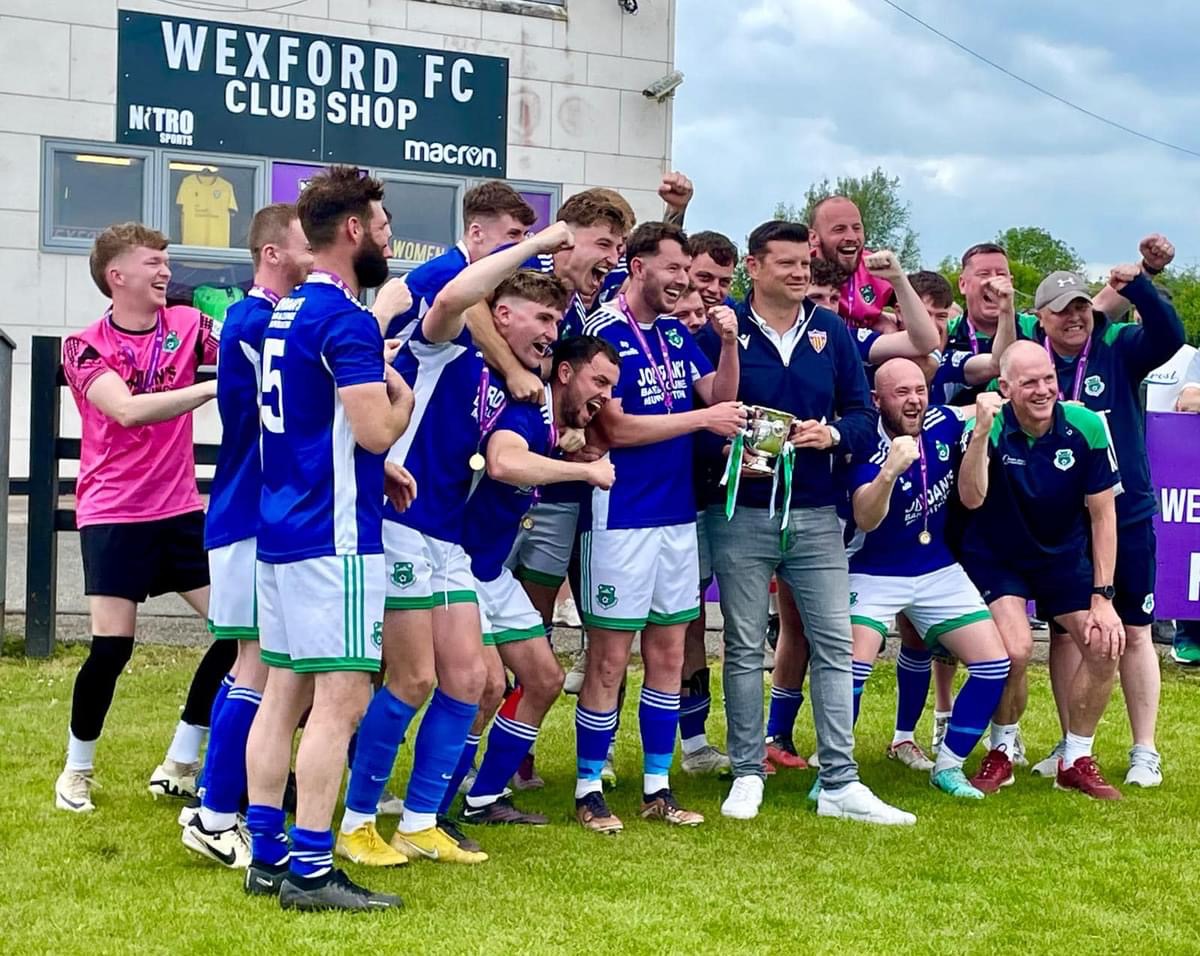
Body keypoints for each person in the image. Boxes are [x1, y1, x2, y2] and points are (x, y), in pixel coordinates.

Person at [335, 224, 575, 865]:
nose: (551, 331)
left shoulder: (511, 380)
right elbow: (450, 298)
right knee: (412, 678)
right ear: (501, 313)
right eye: (542, 317)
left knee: (470, 680)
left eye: (557, 320)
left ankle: (419, 823)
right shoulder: (446, 344)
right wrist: (541, 241)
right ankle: (357, 823)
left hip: (447, 541)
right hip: (401, 524)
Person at [698, 219, 914, 825]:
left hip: (818, 510)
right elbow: (703, 411)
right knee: (744, 644)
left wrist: (833, 435)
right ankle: (747, 771)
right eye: (787, 263)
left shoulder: (831, 332)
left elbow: (862, 415)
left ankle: (840, 780)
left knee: (834, 643)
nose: (799, 273)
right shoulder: (724, 329)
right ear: (754, 266)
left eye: (805, 264)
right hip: (740, 508)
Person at [242, 166, 416, 912]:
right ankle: (312, 871)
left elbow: (318, 423)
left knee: (283, 692)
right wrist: (402, 397)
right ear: (352, 229)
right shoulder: (346, 319)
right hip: (333, 538)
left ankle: (267, 856)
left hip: (282, 529)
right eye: (381, 226)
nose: (388, 239)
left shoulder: (284, 310)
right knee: (340, 699)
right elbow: (375, 429)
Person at [574, 221, 745, 833]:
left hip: (676, 515)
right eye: (672, 268)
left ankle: (657, 785)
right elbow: (613, 428)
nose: (681, 281)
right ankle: (589, 788)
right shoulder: (604, 330)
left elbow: (717, 397)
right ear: (638, 267)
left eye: (686, 271)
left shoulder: (676, 332)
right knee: (609, 659)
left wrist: (728, 345)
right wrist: (700, 420)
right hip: (619, 514)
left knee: (669, 654)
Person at [55, 222, 226, 814]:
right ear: (117, 276)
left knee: (241, 632)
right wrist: (208, 391)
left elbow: (249, 350)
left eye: (165, 261)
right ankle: (76, 771)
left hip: (179, 511)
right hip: (114, 514)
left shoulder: (189, 325)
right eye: (153, 263)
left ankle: (180, 760)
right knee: (112, 650)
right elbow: (126, 410)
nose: (165, 272)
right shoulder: (84, 346)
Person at [1020, 246, 1183, 788]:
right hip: (1063, 523)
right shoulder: (1035, 362)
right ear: (1041, 318)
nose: (1074, 318)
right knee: (1067, 635)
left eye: (1081, 308)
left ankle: (1144, 750)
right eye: (1062, 310)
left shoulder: (1118, 347)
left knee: (1135, 631)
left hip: (1125, 512)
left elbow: (1170, 335)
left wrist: (1140, 285)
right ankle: (1071, 745)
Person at [181, 204, 312, 866]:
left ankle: (216, 801)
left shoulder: (264, 319)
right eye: (305, 244)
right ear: (271, 253)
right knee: (257, 665)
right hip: (252, 513)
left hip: (259, 513)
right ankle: (213, 814)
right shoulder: (257, 321)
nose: (314, 255)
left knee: (258, 665)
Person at [456, 336, 619, 824]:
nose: (606, 396)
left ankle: (483, 799)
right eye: (599, 381)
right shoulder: (526, 412)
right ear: (565, 374)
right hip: (454, 566)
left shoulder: (551, 424)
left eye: (612, 387)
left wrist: (567, 456)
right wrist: (585, 473)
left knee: (545, 679)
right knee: (485, 687)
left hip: (489, 571)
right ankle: (430, 810)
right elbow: (503, 463)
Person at [959, 341, 1125, 800]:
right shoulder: (987, 427)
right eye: (1029, 382)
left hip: (1061, 557)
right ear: (1005, 387)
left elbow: (1103, 515)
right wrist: (980, 433)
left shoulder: (1087, 426)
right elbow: (971, 498)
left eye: (1048, 378)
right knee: (1014, 652)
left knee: (1105, 642)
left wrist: (1104, 597)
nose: (1043, 390)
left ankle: (1075, 757)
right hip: (999, 556)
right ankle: (1002, 749)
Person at [845, 358, 1011, 798]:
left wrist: (982, 431)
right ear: (877, 400)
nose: (914, 400)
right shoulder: (863, 440)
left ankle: (949, 766)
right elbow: (865, 518)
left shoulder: (942, 421)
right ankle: (835, 772)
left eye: (920, 390)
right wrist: (889, 472)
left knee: (994, 664)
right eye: (901, 392)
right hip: (872, 569)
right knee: (852, 666)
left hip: (936, 567)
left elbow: (982, 414)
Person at [678, 229, 740, 775]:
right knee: (621, 634)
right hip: (646, 499)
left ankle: (695, 743)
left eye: (723, 281)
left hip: (712, 497)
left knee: (695, 621)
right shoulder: (658, 329)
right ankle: (603, 754)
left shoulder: (728, 329)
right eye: (704, 278)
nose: (713, 291)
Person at [380, 181, 537, 343]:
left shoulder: (463, 270)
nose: (521, 245)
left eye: (525, 235)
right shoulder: (447, 275)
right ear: (477, 233)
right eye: (513, 234)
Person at [808, 196, 895, 329]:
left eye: (856, 228)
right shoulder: (799, 273)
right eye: (839, 229)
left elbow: (922, 328)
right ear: (813, 237)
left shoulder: (877, 269)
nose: (852, 237)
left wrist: (899, 279)